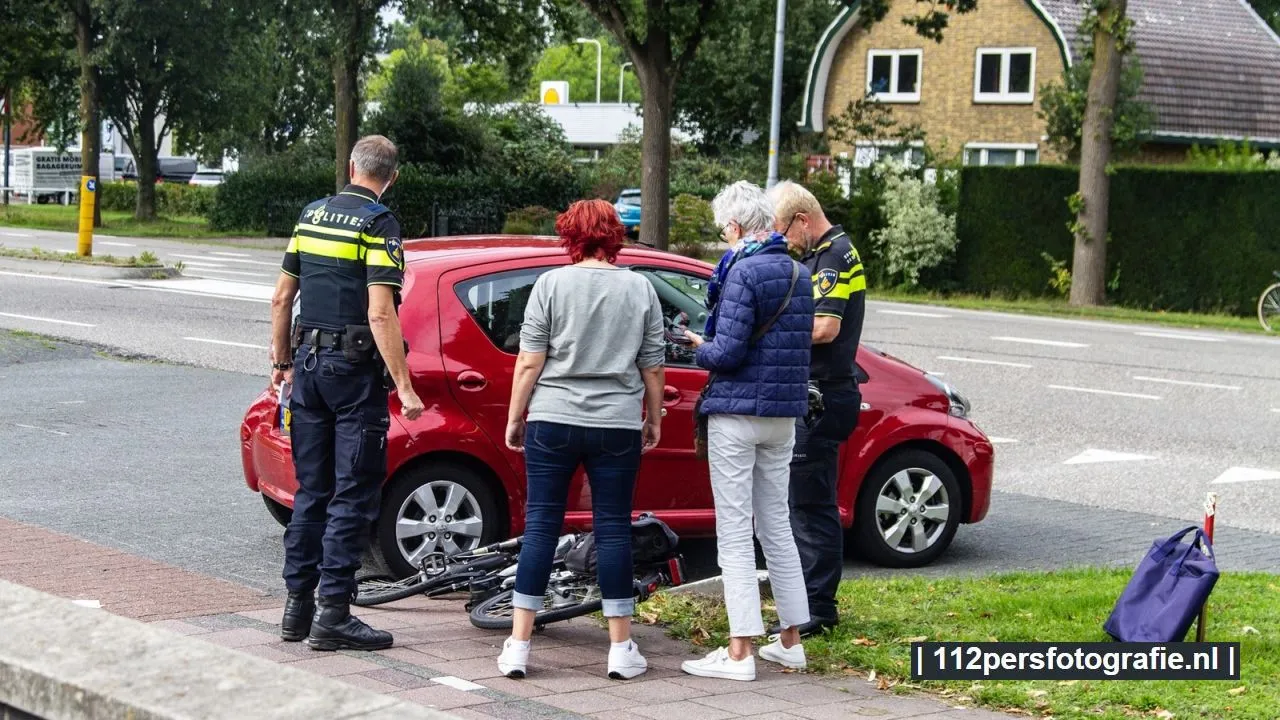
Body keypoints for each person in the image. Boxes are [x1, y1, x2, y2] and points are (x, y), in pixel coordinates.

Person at [269, 135, 425, 651]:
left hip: (308, 368)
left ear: (351, 166)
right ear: (391, 176)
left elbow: (281, 298)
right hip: (353, 375)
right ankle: (333, 614)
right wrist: (404, 387)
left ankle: (296, 610)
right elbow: (381, 312)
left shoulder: (311, 215)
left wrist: (281, 364)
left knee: (311, 491)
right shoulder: (379, 224)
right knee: (353, 493)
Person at [499, 199, 666, 680]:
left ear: (570, 236)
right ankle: (620, 650)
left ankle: (518, 646)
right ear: (615, 235)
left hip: (552, 419)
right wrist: (652, 419)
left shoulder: (551, 284)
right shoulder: (640, 288)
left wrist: (517, 417)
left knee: (541, 525)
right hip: (616, 423)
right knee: (612, 528)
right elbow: (652, 363)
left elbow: (529, 360)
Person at [680, 181, 814, 682]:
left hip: (737, 415)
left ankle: (739, 653)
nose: (722, 239)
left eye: (722, 231)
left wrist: (697, 345)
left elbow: (728, 352)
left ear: (736, 228)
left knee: (734, 533)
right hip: (783, 417)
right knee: (776, 526)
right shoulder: (799, 274)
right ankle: (791, 640)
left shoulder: (742, 272)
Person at [767, 180, 866, 637]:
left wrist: (773, 335)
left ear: (803, 220)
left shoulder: (832, 256)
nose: (784, 240)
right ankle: (809, 601)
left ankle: (818, 609)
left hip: (823, 393)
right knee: (803, 501)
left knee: (809, 504)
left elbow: (825, 328)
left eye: (785, 230)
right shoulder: (823, 253)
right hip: (821, 391)